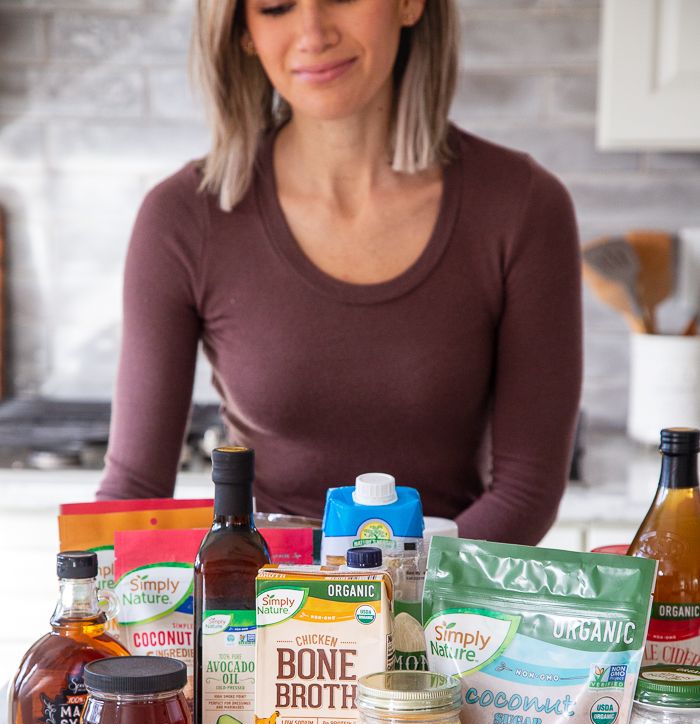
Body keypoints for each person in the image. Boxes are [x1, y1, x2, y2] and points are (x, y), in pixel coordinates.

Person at [98, 0, 582, 545]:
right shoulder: (183, 217)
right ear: (244, 34)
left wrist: (389, 611)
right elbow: (134, 490)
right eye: (276, 7)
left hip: (447, 607)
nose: (312, 33)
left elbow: (527, 490)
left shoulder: (522, 206)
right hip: (259, 609)